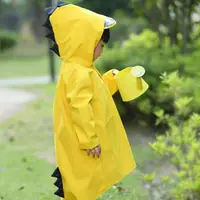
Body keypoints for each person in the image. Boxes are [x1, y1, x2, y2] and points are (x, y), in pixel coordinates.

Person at [43, 2, 136, 200]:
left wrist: (111, 80)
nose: (101, 51)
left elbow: (95, 96)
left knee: (85, 179)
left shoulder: (81, 68)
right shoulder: (78, 71)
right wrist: (90, 139)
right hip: (82, 141)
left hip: (80, 139)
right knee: (82, 181)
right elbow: (79, 106)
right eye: (100, 45)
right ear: (83, 41)